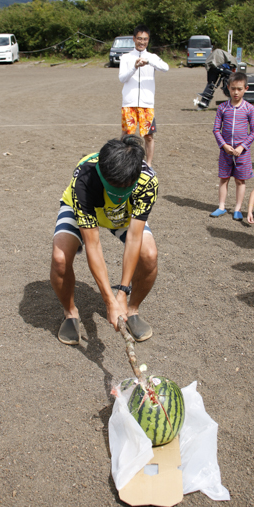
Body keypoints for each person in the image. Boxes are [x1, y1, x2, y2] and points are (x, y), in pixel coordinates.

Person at [50, 135, 158, 345]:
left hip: (123, 216)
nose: (118, 191)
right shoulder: (86, 177)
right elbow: (93, 244)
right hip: (84, 210)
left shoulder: (147, 180)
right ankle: (70, 312)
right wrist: (109, 300)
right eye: (113, 185)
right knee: (60, 259)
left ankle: (132, 310)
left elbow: (134, 238)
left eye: (125, 185)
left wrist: (122, 293)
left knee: (149, 255)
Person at [119, 24, 169, 167]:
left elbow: (165, 68)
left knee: (149, 136)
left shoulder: (152, 57)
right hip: (129, 102)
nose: (142, 42)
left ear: (148, 40)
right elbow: (122, 78)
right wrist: (134, 67)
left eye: (145, 39)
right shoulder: (126, 57)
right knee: (127, 135)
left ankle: (148, 164)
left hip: (147, 103)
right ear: (134, 39)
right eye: (139, 38)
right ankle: (123, 161)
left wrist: (148, 61)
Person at [210, 72, 254, 221]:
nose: (236, 92)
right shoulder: (222, 108)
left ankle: (238, 208)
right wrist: (223, 145)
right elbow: (216, 129)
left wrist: (242, 147)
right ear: (228, 88)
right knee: (224, 178)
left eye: (239, 89)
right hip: (225, 152)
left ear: (245, 88)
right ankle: (221, 206)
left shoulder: (249, 108)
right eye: (232, 89)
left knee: (240, 180)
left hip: (242, 153)